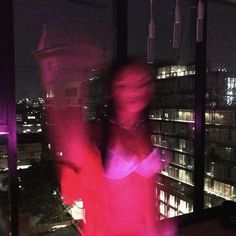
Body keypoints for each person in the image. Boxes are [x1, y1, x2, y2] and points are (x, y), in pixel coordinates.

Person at [100, 58, 171, 235]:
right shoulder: (101, 133)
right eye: (126, 85)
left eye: (143, 83)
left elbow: (147, 190)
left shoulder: (143, 128)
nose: (136, 91)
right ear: (112, 90)